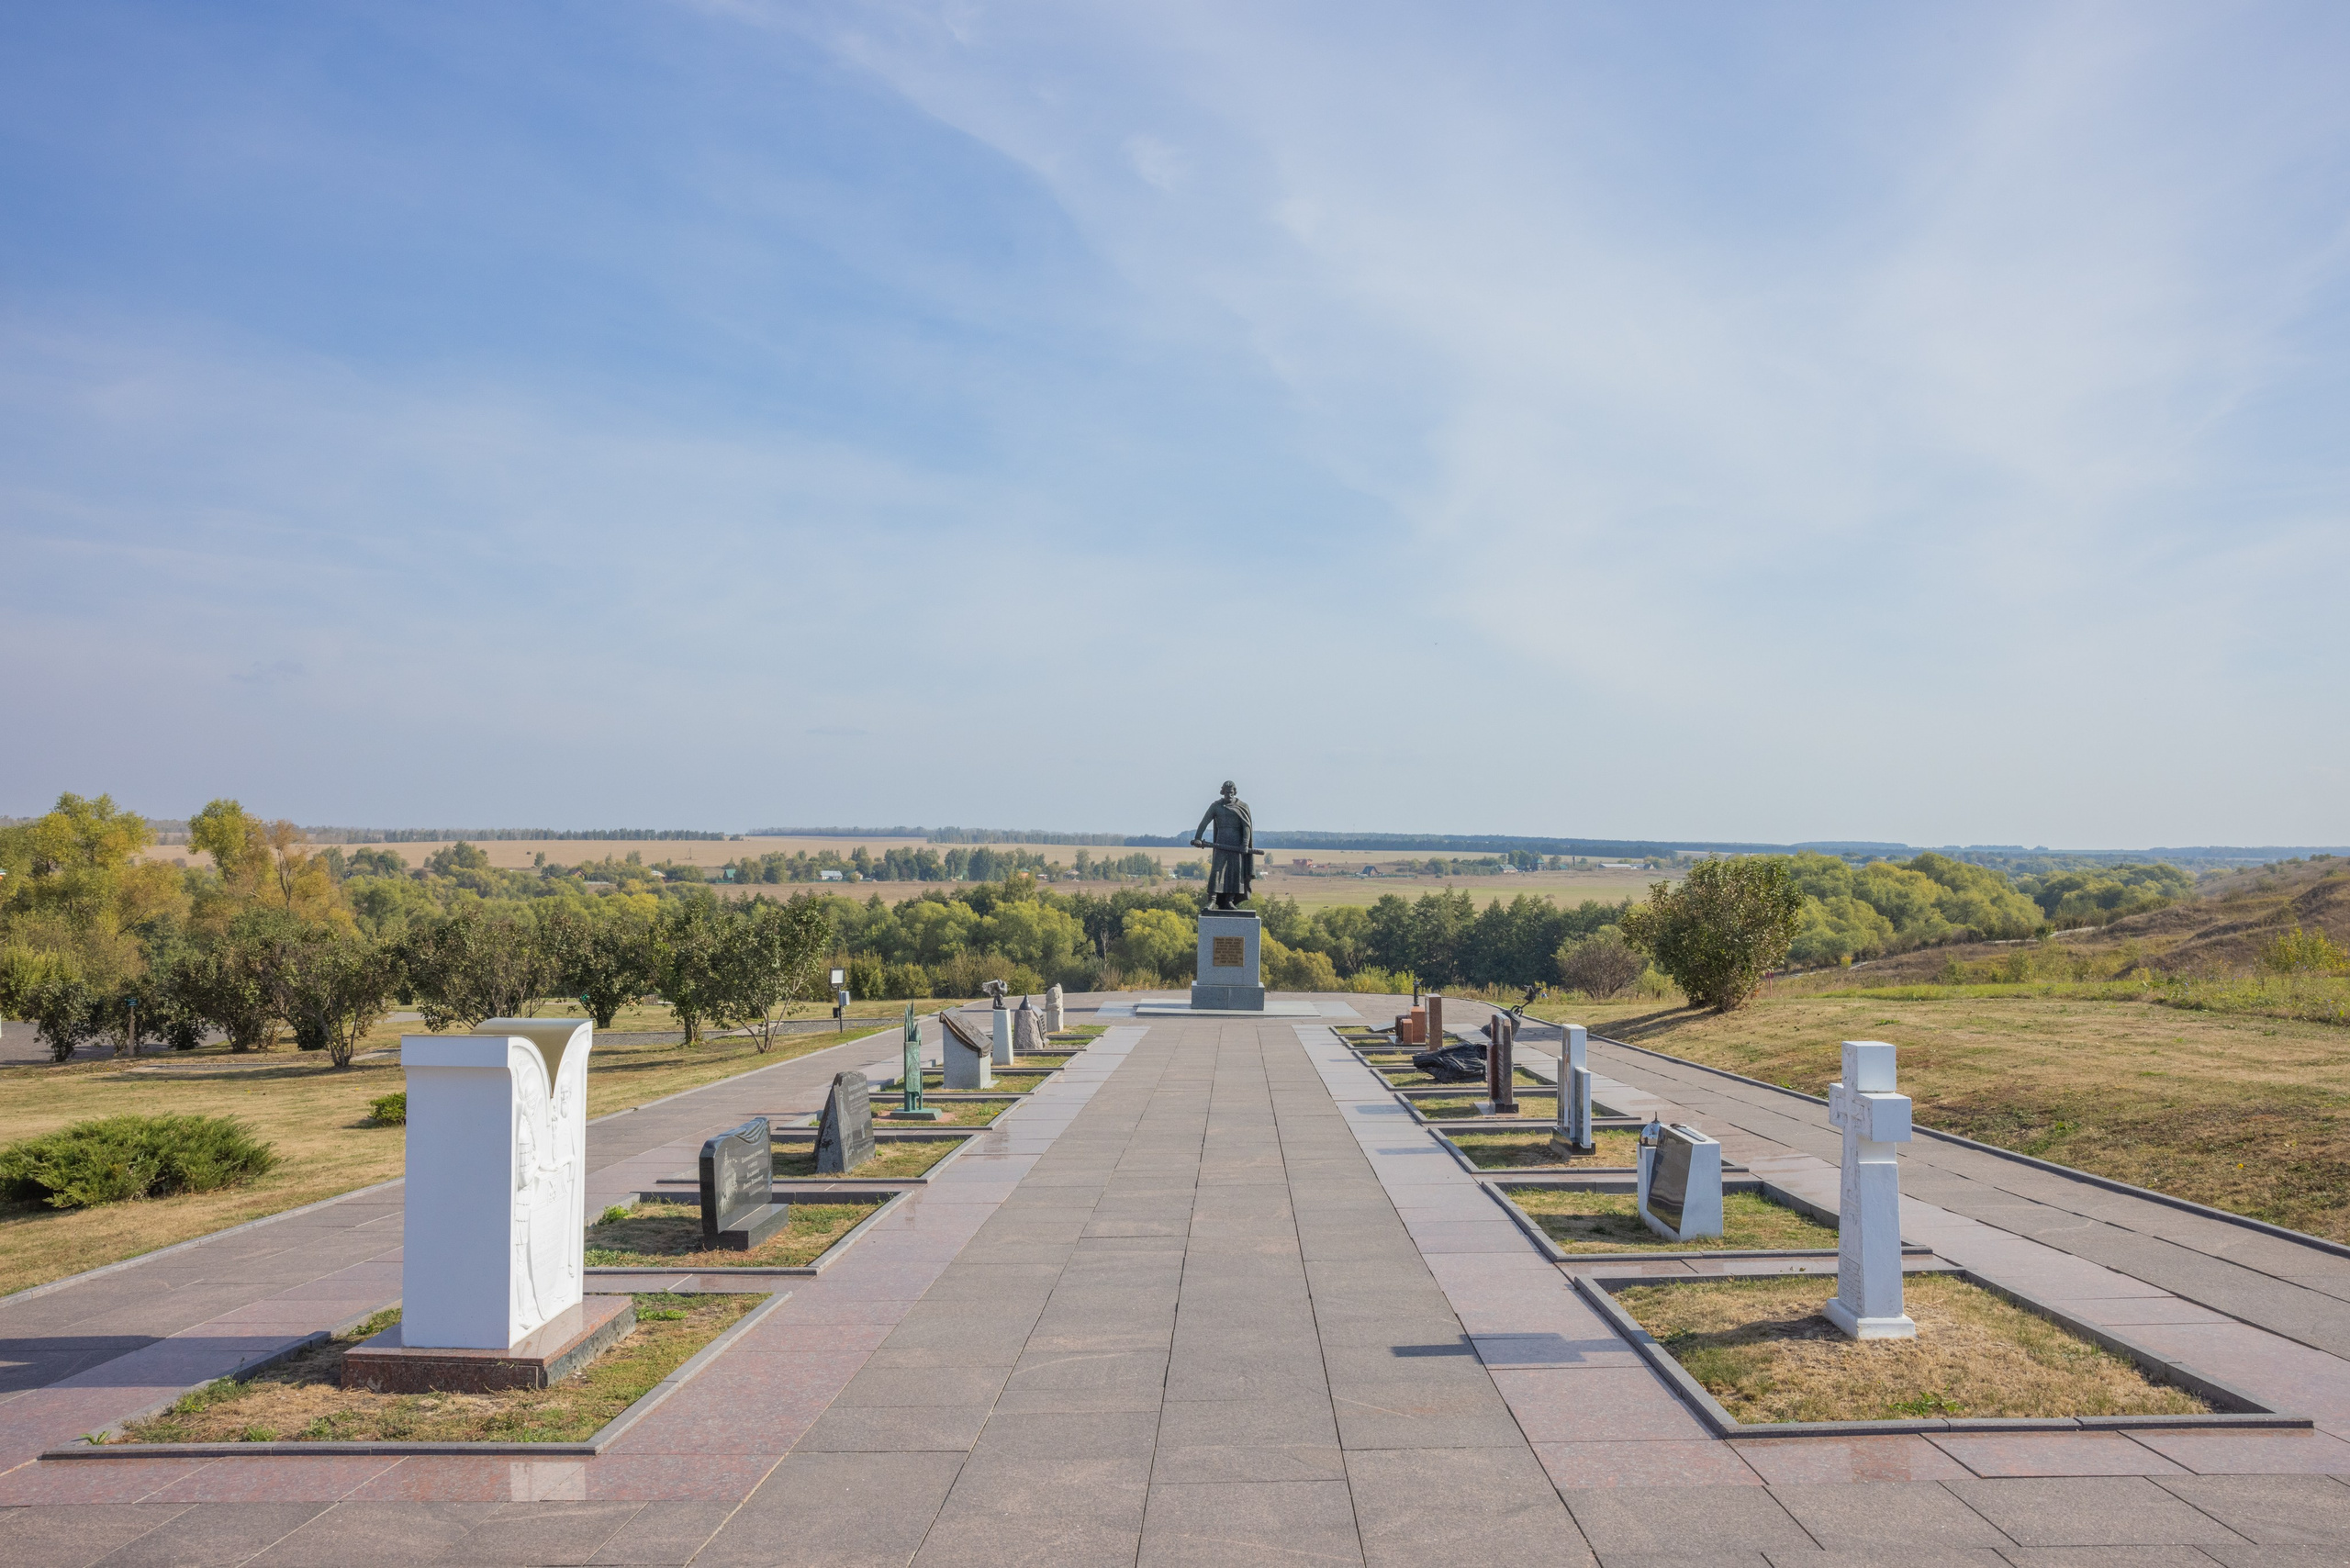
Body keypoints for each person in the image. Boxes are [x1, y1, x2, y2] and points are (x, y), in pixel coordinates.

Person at [1190, 781, 1255, 911]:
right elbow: (1204, 822)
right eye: (1226, 792)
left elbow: (1247, 827)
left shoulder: (1242, 806)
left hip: (1236, 845)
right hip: (1221, 843)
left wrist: (1245, 843)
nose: (1229, 795)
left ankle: (1229, 901)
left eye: (1231, 792)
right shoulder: (1216, 806)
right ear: (1222, 792)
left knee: (1235, 872)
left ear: (1235, 792)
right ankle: (1212, 900)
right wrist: (1198, 838)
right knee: (1217, 871)